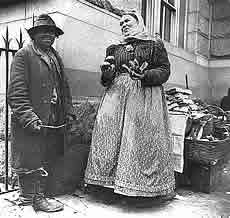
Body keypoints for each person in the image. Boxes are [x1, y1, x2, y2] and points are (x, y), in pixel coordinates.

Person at [84, 10, 175, 200]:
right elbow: (106, 80)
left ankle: (140, 191)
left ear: (138, 22)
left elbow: (164, 71)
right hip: (115, 99)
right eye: (121, 23)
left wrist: (146, 75)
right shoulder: (114, 48)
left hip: (144, 97)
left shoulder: (154, 45)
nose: (123, 24)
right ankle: (107, 187)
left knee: (140, 140)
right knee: (109, 137)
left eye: (127, 21)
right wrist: (107, 73)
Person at [7, 14, 75, 212]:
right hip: (31, 120)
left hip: (52, 117)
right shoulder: (24, 55)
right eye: (42, 31)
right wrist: (29, 118)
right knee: (30, 159)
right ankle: (29, 200)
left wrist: (68, 111)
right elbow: (16, 94)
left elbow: (64, 88)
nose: (48, 35)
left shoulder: (54, 57)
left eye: (52, 32)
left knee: (45, 155)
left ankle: (39, 195)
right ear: (34, 35)